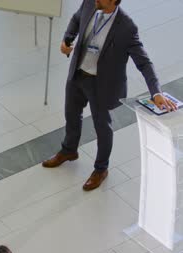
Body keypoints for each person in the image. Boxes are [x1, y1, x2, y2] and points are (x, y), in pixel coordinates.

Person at [42, 0, 177, 191]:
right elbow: (76, 19)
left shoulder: (126, 27)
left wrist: (156, 92)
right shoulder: (90, 3)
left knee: (102, 127)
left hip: (101, 84)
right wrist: (67, 39)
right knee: (71, 116)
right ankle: (69, 150)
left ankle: (101, 169)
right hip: (78, 74)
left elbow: (144, 63)